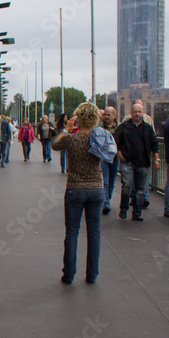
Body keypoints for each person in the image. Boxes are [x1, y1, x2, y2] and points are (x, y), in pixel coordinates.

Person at [52, 102, 105, 284]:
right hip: (96, 188)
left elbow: (55, 145)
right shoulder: (99, 138)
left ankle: (69, 273)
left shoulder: (72, 139)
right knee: (94, 232)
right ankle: (92, 274)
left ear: (78, 118)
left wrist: (66, 129)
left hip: (75, 188)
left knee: (72, 231)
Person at [113, 103, 161, 221]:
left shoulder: (147, 128)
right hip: (127, 162)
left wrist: (157, 158)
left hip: (143, 162)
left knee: (141, 190)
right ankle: (123, 209)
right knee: (127, 186)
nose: (137, 114)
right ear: (131, 113)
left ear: (143, 113)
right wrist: (119, 154)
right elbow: (114, 141)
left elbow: (154, 143)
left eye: (139, 112)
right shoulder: (124, 127)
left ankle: (137, 213)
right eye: (135, 112)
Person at [134, 98, 155, 208]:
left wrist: (154, 154)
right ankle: (135, 197)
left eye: (140, 109)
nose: (137, 113)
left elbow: (153, 137)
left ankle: (144, 198)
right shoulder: (127, 121)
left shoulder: (148, 120)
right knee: (133, 178)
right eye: (136, 109)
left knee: (144, 177)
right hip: (132, 156)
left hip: (144, 155)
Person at [100, 107, 120, 214]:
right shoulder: (99, 127)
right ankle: (106, 202)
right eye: (105, 115)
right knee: (105, 181)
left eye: (109, 115)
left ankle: (108, 196)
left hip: (115, 157)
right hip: (103, 158)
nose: (106, 117)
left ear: (114, 116)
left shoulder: (119, 128)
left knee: (112, 181)